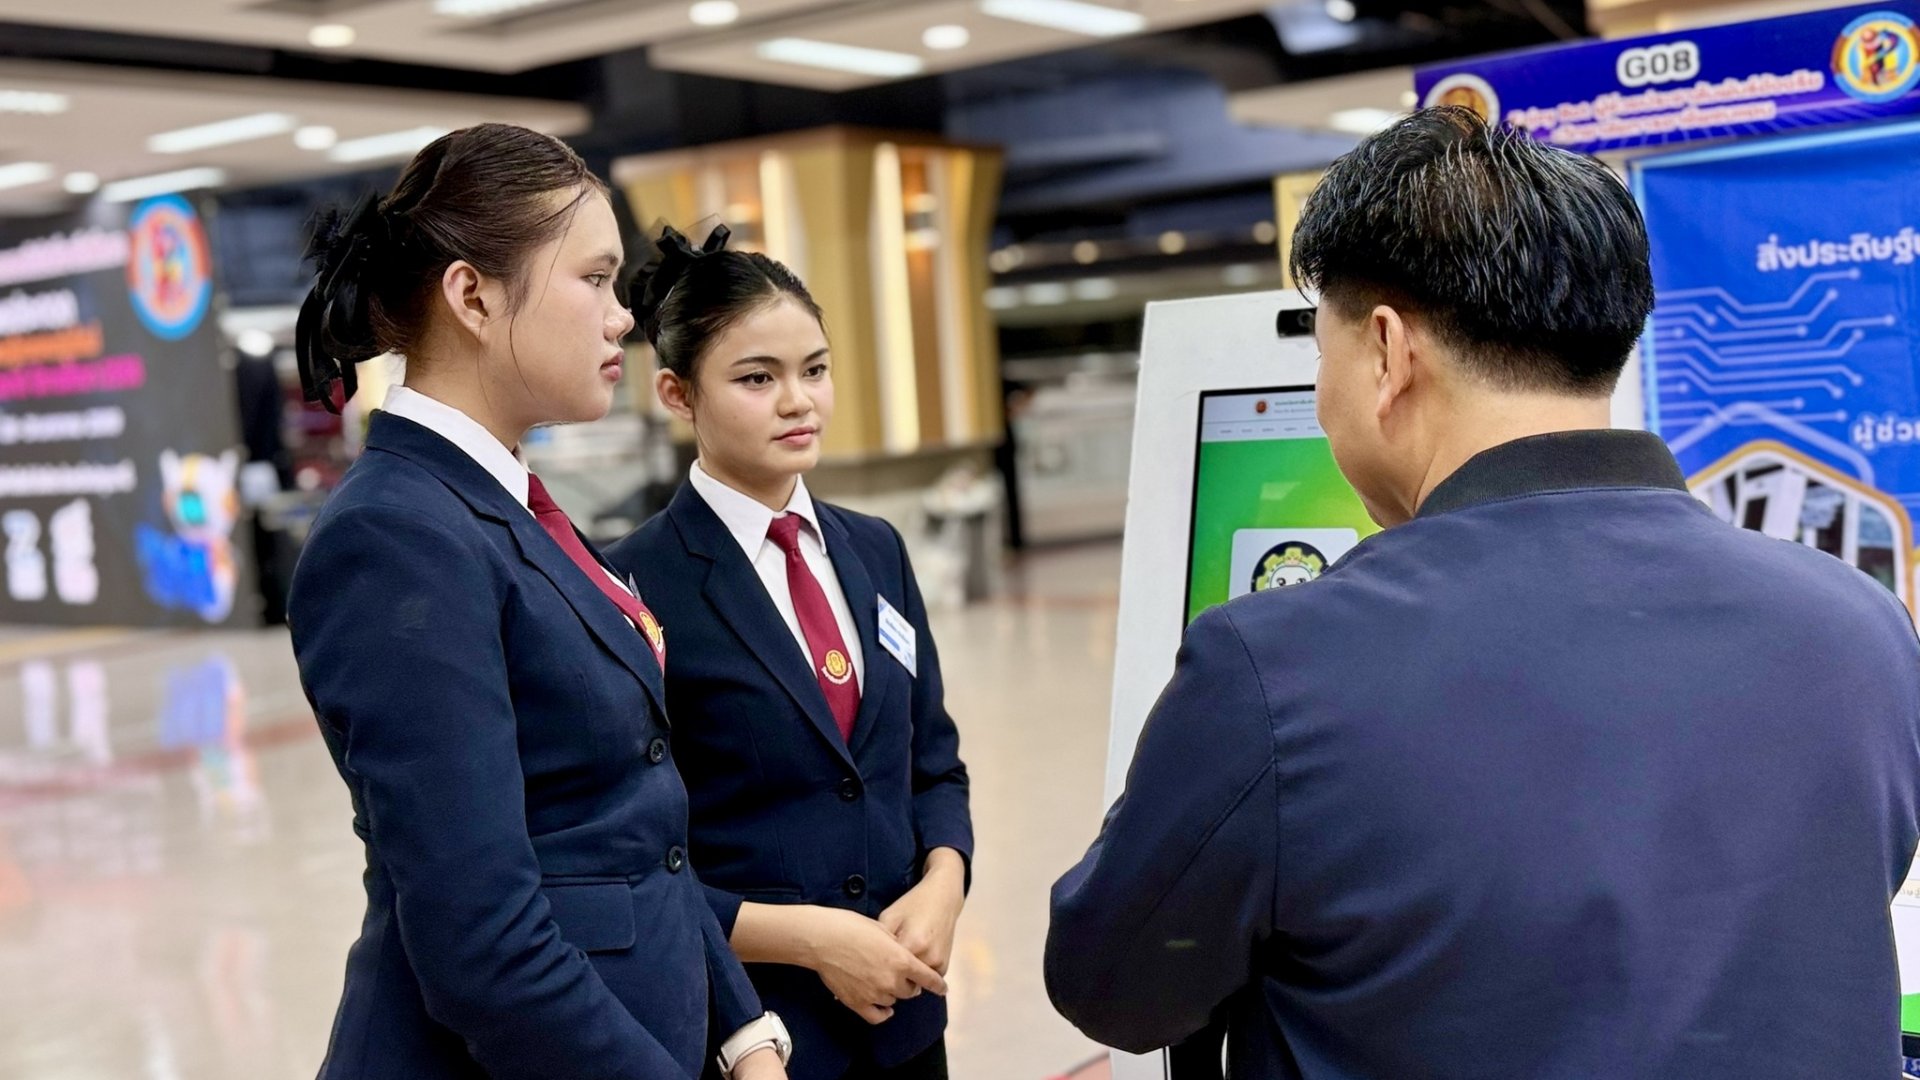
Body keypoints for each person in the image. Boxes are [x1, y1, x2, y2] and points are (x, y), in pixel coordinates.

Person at [1045, 107, 1920, 1078]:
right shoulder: (1861, 627)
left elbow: (1112, 986)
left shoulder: (1275, 671)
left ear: (1387, 353)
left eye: (1323, 356)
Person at [286, 125, 789, 1080]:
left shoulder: (512, 508)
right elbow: (484, 944)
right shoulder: (395, 537)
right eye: (594, 279)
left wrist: (743, 1030)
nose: (622, 317)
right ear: (472, 296)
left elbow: (636, 837)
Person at [606, 224, 972, 1080]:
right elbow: (630, 859)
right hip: (756, 1035)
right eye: (757, 378)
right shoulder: (630, 584)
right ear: (677, 393)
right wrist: (809, 941)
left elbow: (933, 762)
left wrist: (944, 881)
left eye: (814, 369)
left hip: (907, 1018)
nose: (798, 401)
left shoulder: (875, 549)